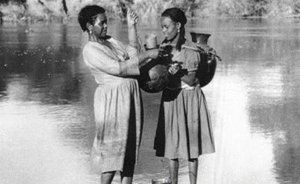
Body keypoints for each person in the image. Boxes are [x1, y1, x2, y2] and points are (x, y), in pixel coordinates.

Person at [78, 5, 162, 184]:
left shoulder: (111, 41)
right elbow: (120, 68)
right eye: (102, 23)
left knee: (129, 153)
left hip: (130, 100)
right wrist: (147, 54)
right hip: (112, 104)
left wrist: (132, 27)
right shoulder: (90, 50)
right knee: (112, 155)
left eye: (106, 22)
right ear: (90, 26)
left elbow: (132, 53)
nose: (106, 26)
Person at [153, 7, 216, 184]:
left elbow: (191, 80)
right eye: (162, 27)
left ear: (178, 26)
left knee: (191, 148)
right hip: (171, 98)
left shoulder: (192, 50)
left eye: (166, 27)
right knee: (170, 147)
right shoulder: (164, 49)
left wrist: (178, 71)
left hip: (189, 99)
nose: (163, 31)